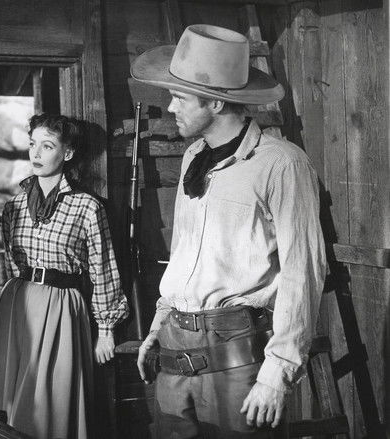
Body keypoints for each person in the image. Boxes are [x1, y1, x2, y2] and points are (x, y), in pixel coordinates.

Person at [130, 24, 327, 437]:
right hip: (174, 349)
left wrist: (277, 374)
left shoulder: (281, 164)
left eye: (180, 97)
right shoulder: (194, 157)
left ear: (217, 103)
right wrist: (158, 328)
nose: (171, 107)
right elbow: (184, 254)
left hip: (237, 355)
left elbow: (302, 272)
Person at [0, 113, 129, 438]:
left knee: (53, 400)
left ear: (68, 153)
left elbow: (103, 268)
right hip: (17, 306)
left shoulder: (87, 207)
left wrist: (105, 330)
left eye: (47, 146)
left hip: (62, 309)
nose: (36, 153)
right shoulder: (14, 206)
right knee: (13, 397)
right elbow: (13, 262)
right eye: (33, 144)